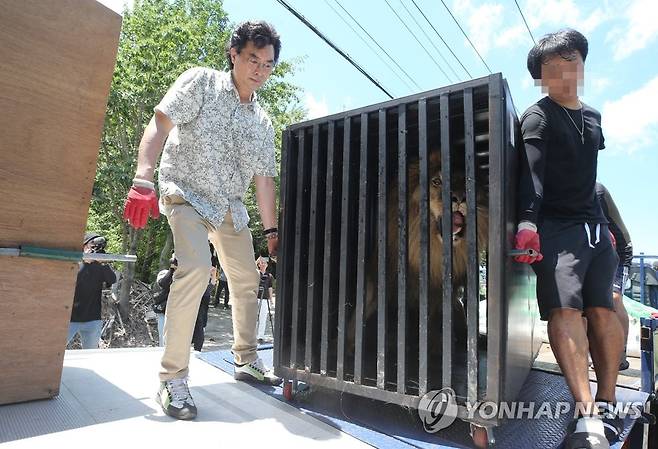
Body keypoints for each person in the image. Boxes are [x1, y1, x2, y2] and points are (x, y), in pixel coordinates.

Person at [122, 21, 282, 421]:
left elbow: (264, 180)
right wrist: (143, 176)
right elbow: (160, 124)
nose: (259, 70)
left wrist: (272, 232)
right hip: (187, 192)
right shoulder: (201, 83)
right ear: (234, 55)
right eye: (252, 59)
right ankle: (171, 377)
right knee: (195, 268)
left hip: (229, 206)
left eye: (268, 64)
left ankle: (245, 360)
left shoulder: (262, 123)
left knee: (247, 279)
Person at [514, 29, 623, 448]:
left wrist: (607, 231)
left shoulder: (594, 117)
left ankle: (608, 402)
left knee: (605, 308)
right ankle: (587, 416)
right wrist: (527, 223)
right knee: (564, 310)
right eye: (552, 69)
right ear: (540, 77)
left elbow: (589, 178)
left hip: (595, 227)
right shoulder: (538, 116)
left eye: (571, 62)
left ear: (583, 63)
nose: (565, 74)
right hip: (555, 227)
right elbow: (533, 177)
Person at [596, 182, 633, 370]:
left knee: (614, 298)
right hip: (595, 250)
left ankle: (621, 354)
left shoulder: (597, 191)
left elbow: (610, 234)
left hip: (619, 250)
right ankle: (595, 353)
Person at [67, 233, 117, 349]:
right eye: (92, 245)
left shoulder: (100, 264)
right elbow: (73, 281)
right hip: (70, 318)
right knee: (55, 350)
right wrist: (85, 262)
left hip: (93, 319)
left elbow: (112, 279)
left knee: (90, 354)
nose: (94, 249)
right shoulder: (74, 262)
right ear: (84, 246)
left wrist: (103, 263)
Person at [153, 255, 177, 347]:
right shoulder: (164, 274)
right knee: (163, 338)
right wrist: (172, 269)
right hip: (163, 311)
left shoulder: (178, 278)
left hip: (174, 312)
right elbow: (163, 283)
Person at [255, 257, 274, 343]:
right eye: (261, 263)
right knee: (254, 317)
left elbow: (270, 288)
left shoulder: (269, 276)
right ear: (258, 265)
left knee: (263, 317)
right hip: (256, 298)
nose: (263, 264)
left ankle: (260, 336)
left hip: (265, 299)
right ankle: (253, 335)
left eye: (264, 263)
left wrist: (271, 299)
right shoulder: (256, 274)